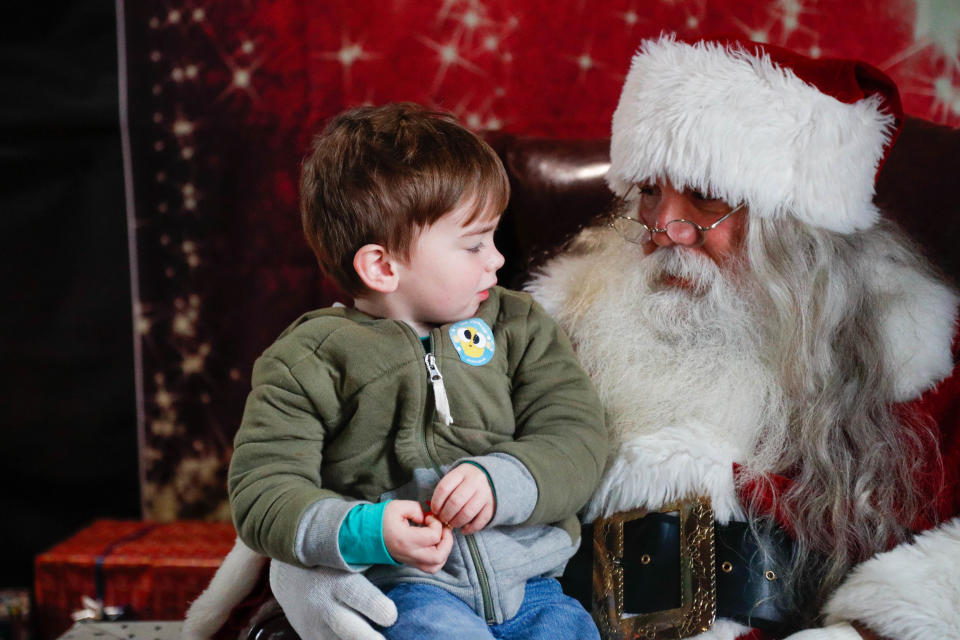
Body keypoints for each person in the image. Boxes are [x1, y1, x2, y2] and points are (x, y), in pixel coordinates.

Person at [187, 38, 960, 640]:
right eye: (649, 193)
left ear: (803, 234)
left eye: (709, 200)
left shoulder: (912, 366)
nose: (664, 229)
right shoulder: (548, 321)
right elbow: (304, 473)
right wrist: (313, 564)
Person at [185, 102, 607, 640]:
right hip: (407, 593)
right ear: (382, 267)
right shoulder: (307, 359)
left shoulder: (519, 326)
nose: (497, 260)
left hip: (535, 587)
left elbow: (578, 437)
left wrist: (503, 480)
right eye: (475, 243)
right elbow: (261, 490)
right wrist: (363, 531)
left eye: (495, 238)